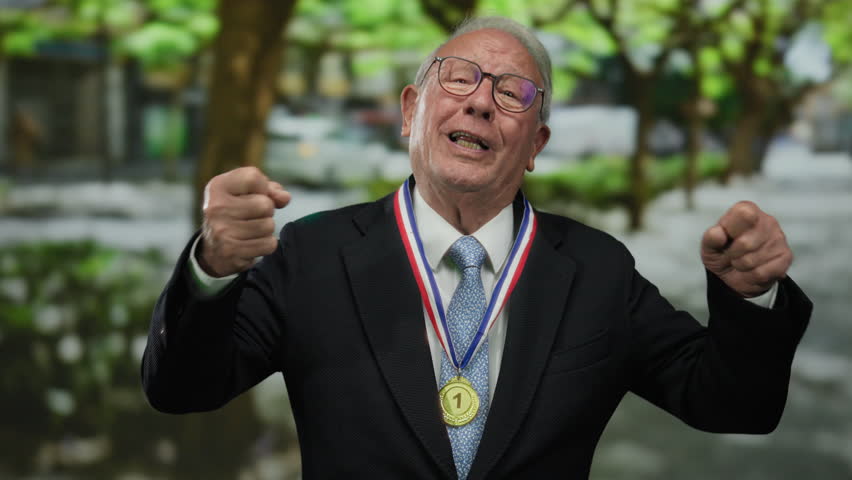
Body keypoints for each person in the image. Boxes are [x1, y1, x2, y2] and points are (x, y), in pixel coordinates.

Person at [142, 17, 812, 480]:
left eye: (513, 93)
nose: (482, 104)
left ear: (536, 147)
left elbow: (734, 404)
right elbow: (182, 389)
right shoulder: (313, 256)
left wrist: (752, 296)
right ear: (410, 110)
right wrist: (211, 269)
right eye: (459, 78)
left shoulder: (597, 270)